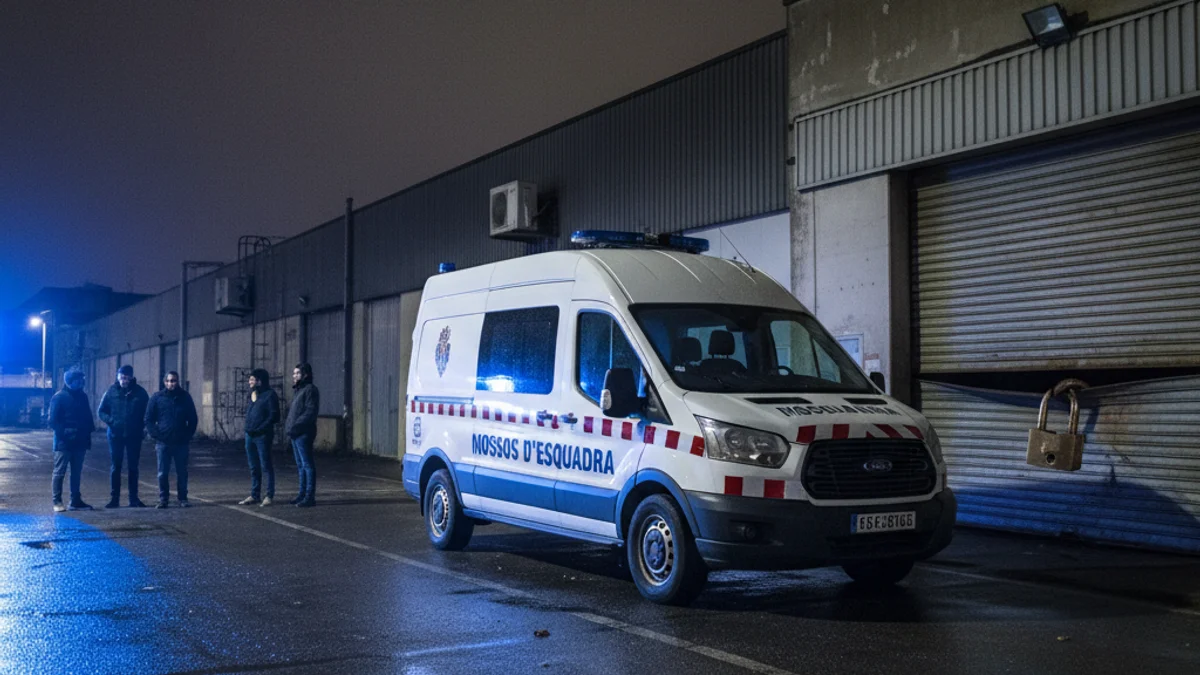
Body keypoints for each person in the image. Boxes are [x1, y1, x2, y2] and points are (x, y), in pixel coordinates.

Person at [97, 364, 150, 508]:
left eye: (126, 378)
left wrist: (143, 427)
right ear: (117, 377)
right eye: (121, 377)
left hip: (134, 435)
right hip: (115, 435)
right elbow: (101, 411)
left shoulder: (140, 393)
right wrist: (111, 421)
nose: (123, 380)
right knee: (116, 466)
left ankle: (134, 499)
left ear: (131, 377)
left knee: (133, 466)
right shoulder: (111, 392)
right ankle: (114, 499)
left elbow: (148, 412)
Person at [144, 370, 198, 508]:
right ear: (164, 382)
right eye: (168, 381)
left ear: (177, 381)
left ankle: (183, 498)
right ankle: (163, 499)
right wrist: (157, 435)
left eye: (173, 381)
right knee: (162, 473)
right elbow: (148, 419)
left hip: (181, 443)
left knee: (182, 472)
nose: (170, 384)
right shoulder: (157, 398)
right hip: (163, 443)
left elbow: (193, 419)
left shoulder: (185, 397)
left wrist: (187, 436)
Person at [48, 368, 95, 512]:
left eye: (82, 380)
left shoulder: (83, 396)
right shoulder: (59, 397)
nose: (81, 383)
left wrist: (88, 433)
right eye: (78, 380)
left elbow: (88, 417)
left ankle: (75, 500)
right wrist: (65, 433)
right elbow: (52, 421)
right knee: (59, 472)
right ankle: (57, 501)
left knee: (76, 472)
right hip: (64, 443)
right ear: (69, 381)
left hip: (80, 442)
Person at [240, 368, 280, 507]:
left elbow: (274, 416)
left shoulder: (270, 395)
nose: (249, 382)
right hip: (249, 435)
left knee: (266, 466)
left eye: (252, 379)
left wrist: (261, 428)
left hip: (262, 436)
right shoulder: (253, 394)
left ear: (260, 381)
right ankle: (254, 494)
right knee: (253, 467)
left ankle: (269, 495)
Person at [285, 363, 320, 507]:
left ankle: (309, 496)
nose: (294, 376)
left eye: (297, 373)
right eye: (294, 373)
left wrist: (296, 426)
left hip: (303, 432)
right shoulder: (299, 390)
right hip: (296, 432)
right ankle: (302, 494)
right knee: (301, 465)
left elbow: (310, 412)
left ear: (305, 375)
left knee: (307, 465)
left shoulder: (310, 390)